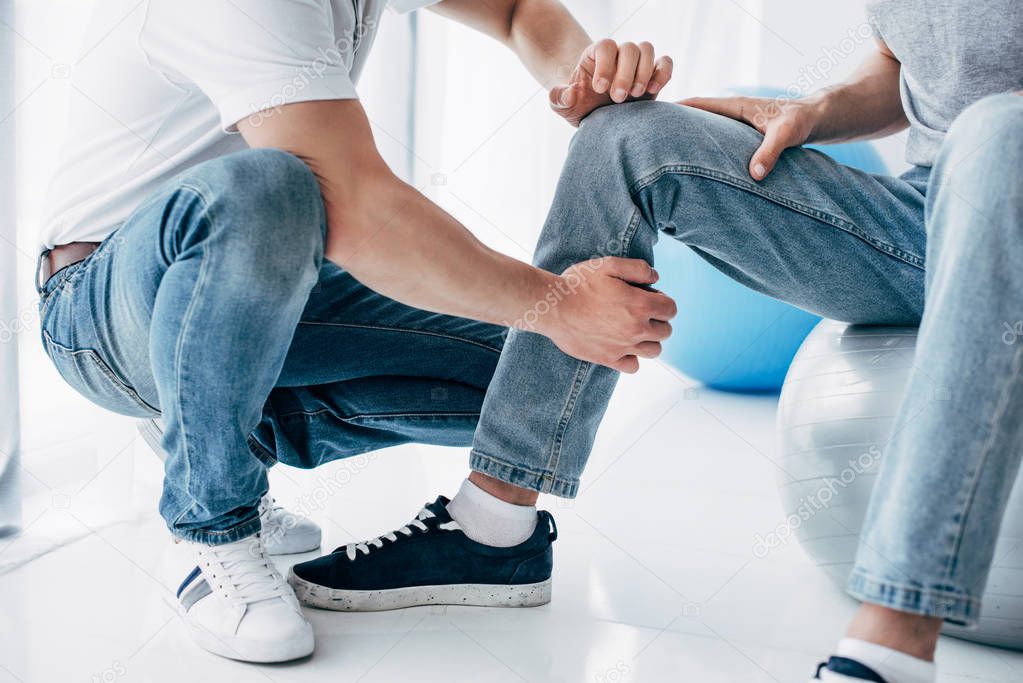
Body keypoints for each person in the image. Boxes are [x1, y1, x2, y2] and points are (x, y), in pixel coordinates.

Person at [293, 2, 1023, 681]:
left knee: (1000, 133)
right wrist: (817, 109)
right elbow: (909, 70)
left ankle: (891, 641)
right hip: (926, 215)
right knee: (627, 136)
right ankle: (492, 526)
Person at [38, 0, 677, 663]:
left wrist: (584, 77)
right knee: (271, 183)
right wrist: (557, 302)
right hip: (105, 311)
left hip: (272, 281)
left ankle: (215, 429)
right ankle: (211, 524)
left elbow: (518, 10)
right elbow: (358, 206)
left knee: (534, 364)